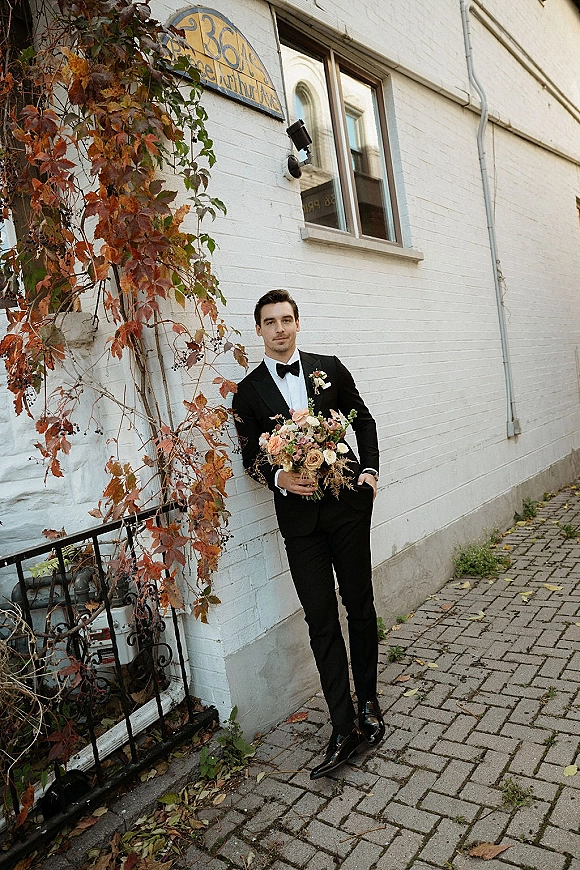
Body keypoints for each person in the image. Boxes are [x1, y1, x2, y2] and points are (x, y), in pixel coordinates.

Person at [232, 289, 384, 779]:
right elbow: (250, 457)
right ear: (258, 330)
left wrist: (370, 473)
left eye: (286, 320)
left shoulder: (329, 368)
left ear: (298, 324)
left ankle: (368, 704)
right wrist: (278, 478)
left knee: (359, 605)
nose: (279, 329)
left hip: (346, 512)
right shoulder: (248, 393)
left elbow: (364, 421)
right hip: (299, 526)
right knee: (321, 619)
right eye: (270, 322)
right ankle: (341, 727)